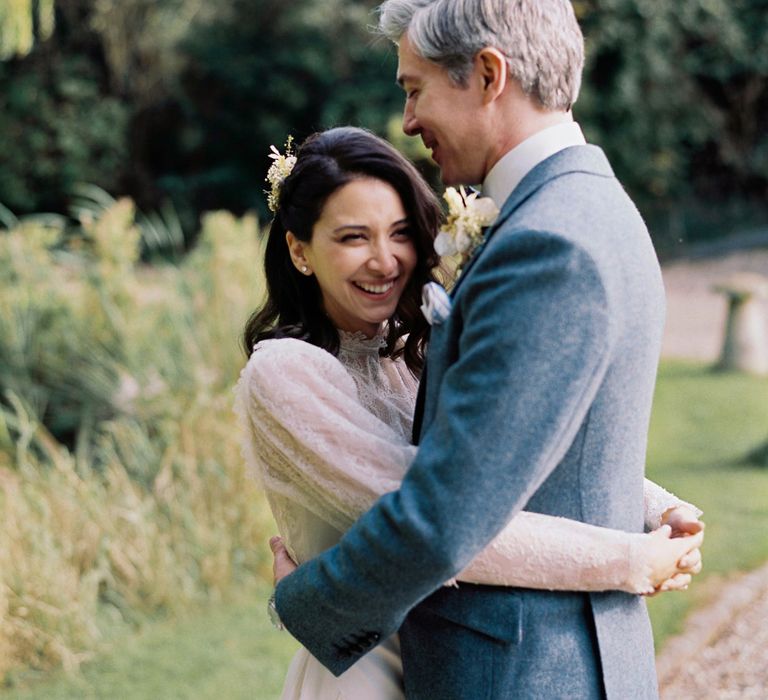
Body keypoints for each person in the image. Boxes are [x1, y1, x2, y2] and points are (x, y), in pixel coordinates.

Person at [262, 2, 708, 699]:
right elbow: (548, 442)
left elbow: (446, 518)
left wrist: (306, 598)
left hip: (524, 671)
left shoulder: (545, 242)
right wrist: (644, 512)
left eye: (415, 89)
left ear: (488, 75)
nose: (408, 120)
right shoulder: (591, 209)